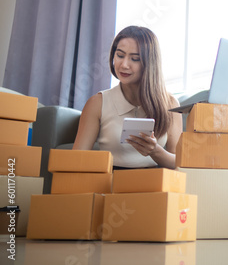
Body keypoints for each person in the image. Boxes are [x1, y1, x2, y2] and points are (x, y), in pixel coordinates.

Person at [72, 26, 182, 169]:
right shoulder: (97, 103)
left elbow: (180, 163)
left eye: (135, 59)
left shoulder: (170, 104)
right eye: (120, 55)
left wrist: (155, 151)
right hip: (110, 183)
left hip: (155, 184)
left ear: (150, 63)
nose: (124, 65)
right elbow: (76, 159)